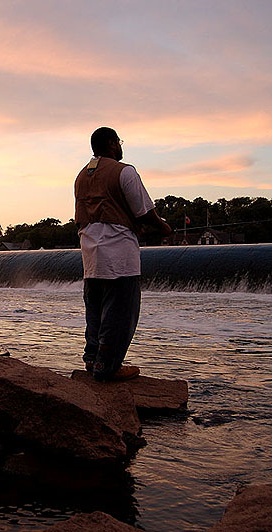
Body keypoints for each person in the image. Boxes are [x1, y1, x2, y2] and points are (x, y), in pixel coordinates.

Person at [74, 126, 172, 381]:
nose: (121, 146)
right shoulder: (124, 171)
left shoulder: (81, 176)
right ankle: (107, 368)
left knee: (94, 311)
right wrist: (162, 227)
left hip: (90, 257)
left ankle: (91, 360)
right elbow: (144, 210)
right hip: (119, 256)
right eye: (119, 141)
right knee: (120, 313)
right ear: (111, 143)